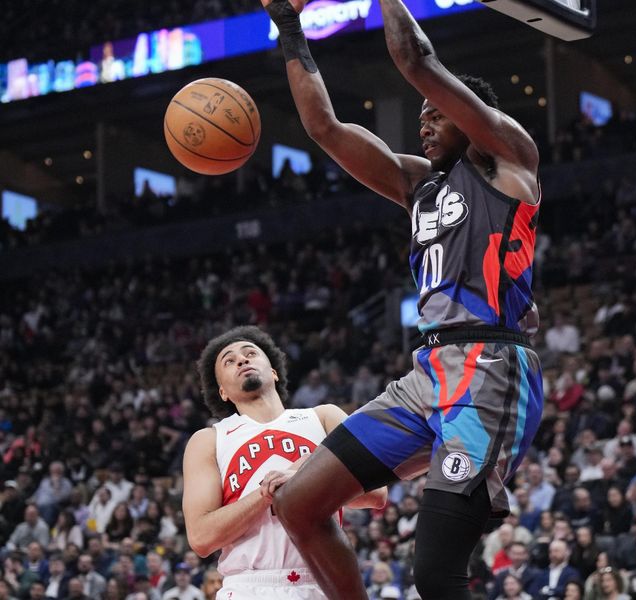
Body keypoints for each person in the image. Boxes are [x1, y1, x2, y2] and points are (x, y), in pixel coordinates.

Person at [263, 1, 543, 597]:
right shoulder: (418, 185)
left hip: (488, 371)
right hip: (426, 375)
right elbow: (325, 130)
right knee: (299, 505)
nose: (422, 124)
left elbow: (416, 58)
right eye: (419, 117)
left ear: (470, 118)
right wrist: (290, 26)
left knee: (436, 576)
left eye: (434, 114)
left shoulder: (510, 159)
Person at [182, 327, 387, 600]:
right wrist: (268, 492)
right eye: (229, 361)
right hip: (249, 584)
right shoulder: (209, 439)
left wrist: (301, 473)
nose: (242, 360)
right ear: (222, 392)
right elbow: (201, 538)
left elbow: (376, 494)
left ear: (274, 371)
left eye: (250, 353)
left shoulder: (323, 417)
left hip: (324, 580)